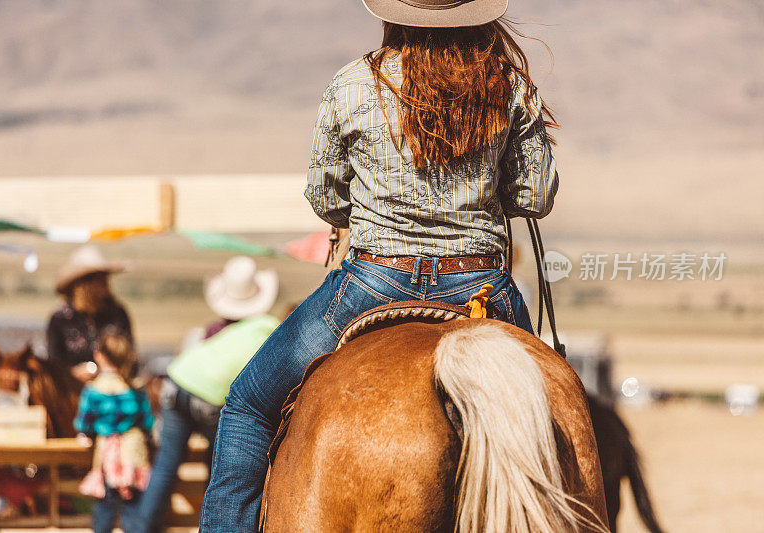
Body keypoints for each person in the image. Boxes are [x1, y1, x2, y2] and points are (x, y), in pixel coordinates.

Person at [201, 0, 558, 529]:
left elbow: (324, 196)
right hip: (480, 283)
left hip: (372, 281)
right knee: (555, 423)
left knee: (249, 407)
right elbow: (535, 195)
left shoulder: (352, 84)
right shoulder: (509, 88)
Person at [135, 256, 280, 532]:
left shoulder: (214, 330)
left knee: (166, 464)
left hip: (176, 381)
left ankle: (143, 527)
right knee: (219, 467)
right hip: (209, 400)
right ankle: (212, 523)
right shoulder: (265, 329)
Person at [74, 332, 154, 533]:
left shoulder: (93, 391)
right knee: (133, 506)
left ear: (99, 356)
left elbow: (84, 422)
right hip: (133, 454)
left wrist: (87, 434)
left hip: (107, 457)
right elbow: (147, 421)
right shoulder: (135, 388)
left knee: (105, 505)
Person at [46, 245, 134, 383]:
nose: (106, 282)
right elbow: (53, 366)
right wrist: (74, 374)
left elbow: (131, 358)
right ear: (84, 284)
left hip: (113, 391)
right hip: (72, 392)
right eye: (100, 278)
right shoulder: (60, 320)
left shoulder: (117, 314)